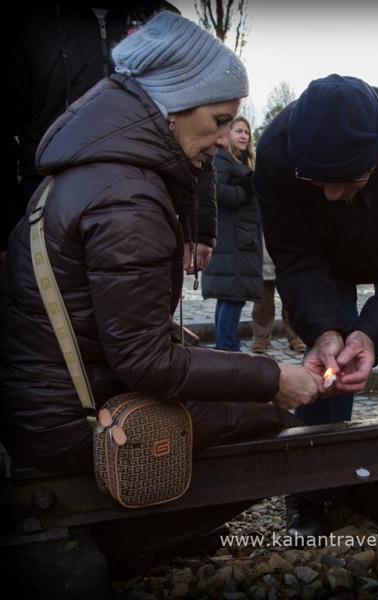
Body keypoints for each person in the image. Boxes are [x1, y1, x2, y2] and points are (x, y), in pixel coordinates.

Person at [0, 12, 322, 475]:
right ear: (173, 105)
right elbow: (146, 364)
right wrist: (273, 379)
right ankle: (159, 528)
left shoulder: (96, 169)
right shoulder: (128, 198)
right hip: (70, 423)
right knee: (269, 418)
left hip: (40, 406)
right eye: (218, 120)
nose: (221, 140)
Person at [254, 74, 378, 536]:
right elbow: (296, 258)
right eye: (316, 180)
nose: (330, 195)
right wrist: (325, 328)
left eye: (348, 180)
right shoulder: (277, 153)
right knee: (326, 370)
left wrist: (373, 333)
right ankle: (311, 492)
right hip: (326, 262)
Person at [0, 2, 213, 278]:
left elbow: (196, 126)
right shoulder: (26, 22)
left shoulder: (164, 21)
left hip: (144, 221)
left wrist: (198, 225)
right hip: (47, 227)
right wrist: (4, 232)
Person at [201, 116, 263, 351]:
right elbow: (217, 192)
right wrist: (244, 190)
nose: (243, 136)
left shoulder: (243, 163)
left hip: (241, 238)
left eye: (247, 132)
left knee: (229, 296)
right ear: (227, 134)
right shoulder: (222, 159)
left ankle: (226, 346)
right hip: (233, 240)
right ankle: (228, 348)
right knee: (232, 297)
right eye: (238, 131)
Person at [251, 240, 306, 354]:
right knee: (263, 298)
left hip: (289, 247)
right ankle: (261, 337)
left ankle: (296, 335)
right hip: (263, 246)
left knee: (292, 295)